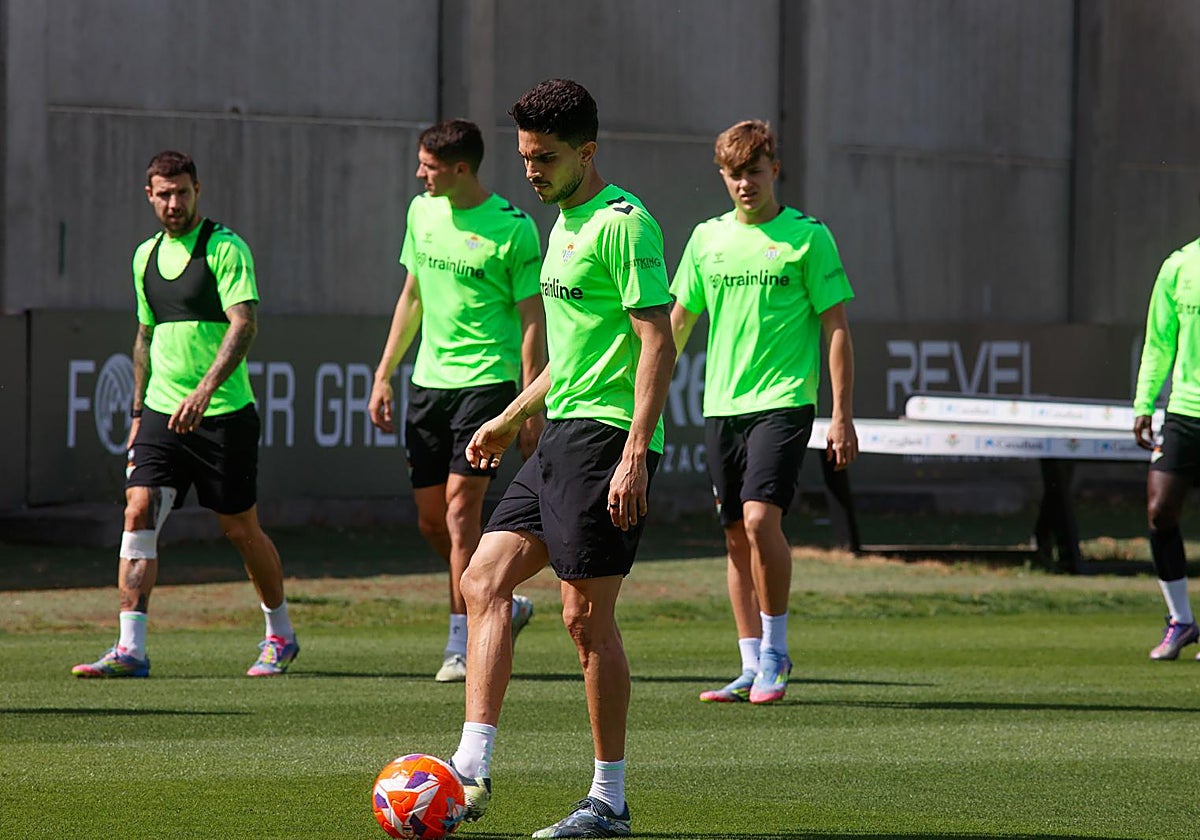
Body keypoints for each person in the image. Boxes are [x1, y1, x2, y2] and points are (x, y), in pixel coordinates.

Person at [440, 79, 676, 839]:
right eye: (524, 158)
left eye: (544, 158)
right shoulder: (563, 223)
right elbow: (570, 356)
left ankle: (609, 800)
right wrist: (510, 418)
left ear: (587, 151)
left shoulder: (624, 224)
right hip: (560, 435)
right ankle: (470, 766)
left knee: (584, 619)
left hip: (607, 440)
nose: (531, 171)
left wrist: (636, 452)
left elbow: (656, 341)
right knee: (481, 578)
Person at [72, 150, 298, 679]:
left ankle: (280, 633)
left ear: (197, 189)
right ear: (148, 196)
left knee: (241, 529)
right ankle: (130, 649)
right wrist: (136, 410)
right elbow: (145, 335)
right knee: (137, 511)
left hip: (223, 415)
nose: (174, 203)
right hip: (159, 414)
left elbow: (244, 324)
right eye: (163, 194)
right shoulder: (144, 256)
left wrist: (203, 391)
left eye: (182, 192)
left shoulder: (224, 247)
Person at [669, 120, 858, 704]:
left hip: (784, 401)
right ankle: (750, 663)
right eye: (733, 174)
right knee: (732, 535)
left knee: (758, 520)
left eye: (753, 171)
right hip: (721, 406)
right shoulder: (706, 239)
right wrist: (636, 392)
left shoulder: (809, 237)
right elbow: (676, 323)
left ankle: (777, 652)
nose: (744, 184)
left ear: (774, 168)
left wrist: (841, 415)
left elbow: (836, 327)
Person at [368, 119, 545, 682]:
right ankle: (504, 605)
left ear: (461, 168)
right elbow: (412, 296)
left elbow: (531, 320)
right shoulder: (421, 213)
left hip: (487, 386)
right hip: (428, 385)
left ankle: (461, 641)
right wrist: (384, 373)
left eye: (429, 166)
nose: (420, 174)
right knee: (431, 521)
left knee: (460, 511)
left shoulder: (514, 229)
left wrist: (527, 402)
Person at [1134, 233, 1200, 660]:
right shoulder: (1180, 265)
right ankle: (1181, 621)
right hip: (1184, 411)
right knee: (1160, 510)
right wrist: (1144, 402)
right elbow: (1160, 341)